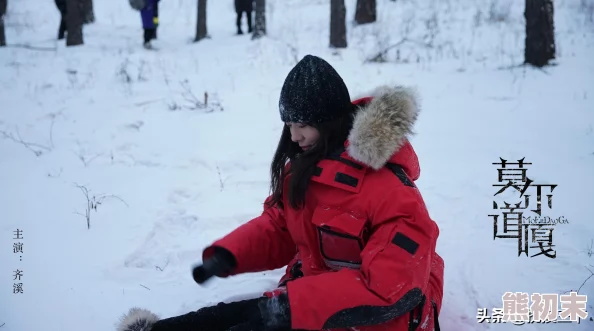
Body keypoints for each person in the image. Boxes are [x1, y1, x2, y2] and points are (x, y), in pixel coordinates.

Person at [117, 54, 445, 331]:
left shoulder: (391, 191)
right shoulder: (306, 169)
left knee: (258, 318)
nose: (294, 135)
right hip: (314, 301)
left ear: (329, 121)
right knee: (230, 317)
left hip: (383, 319)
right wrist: (230, 254)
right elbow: (279, 225)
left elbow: (390, 288)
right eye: (288, 124)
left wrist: (288, 310)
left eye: (302, 124)